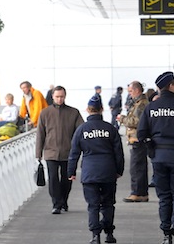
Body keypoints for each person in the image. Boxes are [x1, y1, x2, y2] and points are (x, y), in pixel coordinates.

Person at [138, 71, 174, 244]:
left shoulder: (151, 108)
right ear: (171, 85)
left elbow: (141, 133)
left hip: (158, 157)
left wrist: (152, 146)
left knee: (164, 197)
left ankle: (166, 234)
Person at [68, 95, 125, 244]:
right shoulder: (110, 129)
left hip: (89, 173)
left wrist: (71, 172)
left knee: (93, 205)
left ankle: (95, 235)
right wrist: (119, 170)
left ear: (87, 110)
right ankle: (109, 233)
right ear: (102, 109)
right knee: (108, 204)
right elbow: (119, 153)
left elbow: (74, 153)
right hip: (108, 171)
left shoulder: (81, 130)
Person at [36, 86, 84, 214]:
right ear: (52, 96)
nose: (59, 99)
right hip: (50, 151)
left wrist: (81, 148)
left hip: (68, 152)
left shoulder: (73, 112)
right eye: (57, 96)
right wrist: (38, 153)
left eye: (61, 96)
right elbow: (40, 134)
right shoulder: (45, 113)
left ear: (65, 96)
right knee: (53, 178)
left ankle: (64, 201)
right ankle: (56, 203)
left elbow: (81, 131)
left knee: (66, 178)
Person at [117, 81, 150, 203]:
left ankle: (137, 192)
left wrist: (122, 119)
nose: (130, 94)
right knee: (138, 166)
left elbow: (136, 121)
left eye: (131, 91)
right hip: (136, 138)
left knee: (136, 167)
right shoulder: (139, 103)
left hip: (137, 139)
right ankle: (141, 192)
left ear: (137, 90)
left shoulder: (141, 104)